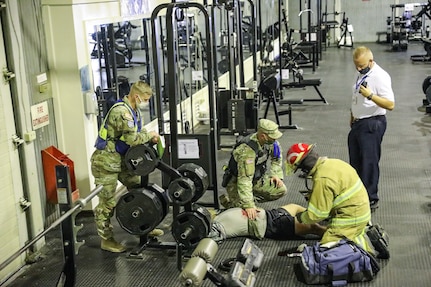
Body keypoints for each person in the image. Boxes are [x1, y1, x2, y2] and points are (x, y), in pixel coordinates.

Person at [90, 80, 163, 253]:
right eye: (145, 99)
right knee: (107, 202)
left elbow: (137, 134)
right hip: (106, 162)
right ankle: (106, 240)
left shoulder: (134, 111)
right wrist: (149, 134)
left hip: (121, 160)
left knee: (139, 188)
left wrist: (148, 136)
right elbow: (133, 139)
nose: (146, 103)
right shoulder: (123, 112)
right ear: (136, 96)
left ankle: (144, 227)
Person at [285, 143, 374, 254]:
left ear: (304, 166)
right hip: (361, 212)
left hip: (350, 219)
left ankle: (362, 251)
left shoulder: (322, 179)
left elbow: (317, 214)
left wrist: (301, 217)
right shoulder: (333, 163)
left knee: (327, 252)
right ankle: (358, 236)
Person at [349, 46, 395, 210]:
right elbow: (355, 95)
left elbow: (390, 104)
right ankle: (357, 194)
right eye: (356, 66)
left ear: (371, 60)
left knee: (369, 161)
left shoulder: (380, 76)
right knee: (355, 161)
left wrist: (370, 95)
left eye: (361, 66)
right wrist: (352, 115)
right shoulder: (360, 72)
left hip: (372, 123)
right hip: (358, 123)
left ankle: (370, 198)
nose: (359, 69)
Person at [219, 119, 287, 220]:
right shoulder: (247, 151)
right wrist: (248, 205)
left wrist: (276, 174)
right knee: (245, 216)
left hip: (257, 179)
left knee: (280, 190)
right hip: (237, 183)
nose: (275, 140)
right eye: (272, 137)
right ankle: (231, 202)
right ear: (263, 136)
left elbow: (276, 158)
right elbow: (244, 180)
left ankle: (245, 199)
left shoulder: (271, 143)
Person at [208, 203, 326, 242]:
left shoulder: (217, 215)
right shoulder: (216, 228)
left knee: (295, 207)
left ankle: (325, 216)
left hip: (271, 214)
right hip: (274, 226)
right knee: (314, 227)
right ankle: (340, 235)